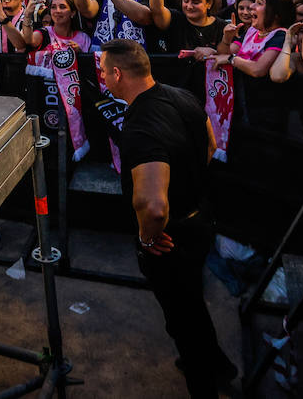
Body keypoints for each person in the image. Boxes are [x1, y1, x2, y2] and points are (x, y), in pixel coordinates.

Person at [99, 39, 235, 397]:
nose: (100, 76)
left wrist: (147, 238)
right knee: (192, 301)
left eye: (102, 69)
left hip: (171, 237)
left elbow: (153, 205)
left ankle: (205, 383)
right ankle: (220, 363)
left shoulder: (141, 124)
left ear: (116, 73)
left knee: (182, 320)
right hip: (200, 219)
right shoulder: (182, 95)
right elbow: (210, 146)